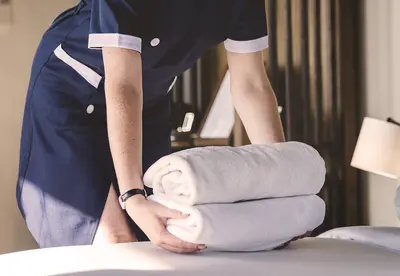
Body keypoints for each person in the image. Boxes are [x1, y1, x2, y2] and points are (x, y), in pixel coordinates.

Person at [16, 0, 285, 254]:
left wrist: (286, 183)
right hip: (72, 96)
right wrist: (132, 195)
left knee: (163, 238)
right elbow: (124, 84)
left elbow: (251, 84)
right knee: (117, 241)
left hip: (146, 104)